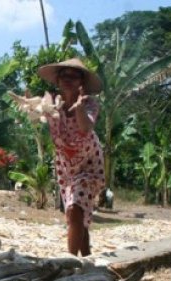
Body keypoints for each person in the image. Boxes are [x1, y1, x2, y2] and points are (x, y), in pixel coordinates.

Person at [37, 58, 105, 256]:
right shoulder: (52, 104)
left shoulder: (90, 103)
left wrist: (80, 108)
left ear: (81, 82)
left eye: (74, 76)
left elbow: (85, 128)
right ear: (58, 80)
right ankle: (86, 258)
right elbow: (40, 118)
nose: (68, 79)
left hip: (89, 166)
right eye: (64, 75)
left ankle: (69, 263)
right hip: (66, 166)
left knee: (74, 210)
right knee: (79, 217)